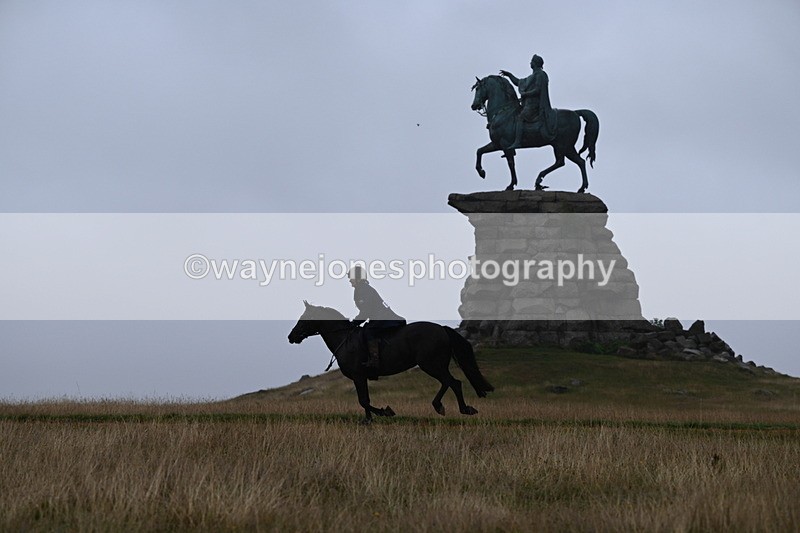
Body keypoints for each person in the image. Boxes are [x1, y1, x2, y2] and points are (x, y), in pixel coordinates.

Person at [349, 266, 406, 378]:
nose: (350, 280)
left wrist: (354, 322)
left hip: (383, 317)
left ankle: (374, 362)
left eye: (351, 278)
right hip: (377, 317)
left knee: (369, 332)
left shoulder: (364, 289)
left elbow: (366, 311)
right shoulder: (360, 289)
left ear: (359, 278)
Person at [500, 54, 557, 148]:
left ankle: (518, 142)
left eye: (531, 61)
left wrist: (526, 94)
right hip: (527, 104)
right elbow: (518, 82)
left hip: (534, 105)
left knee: (520, 117)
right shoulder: (532, 76)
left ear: (535, 63)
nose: (530, 63)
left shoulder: (541, 74)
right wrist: (509, 75)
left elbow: (538, 90)